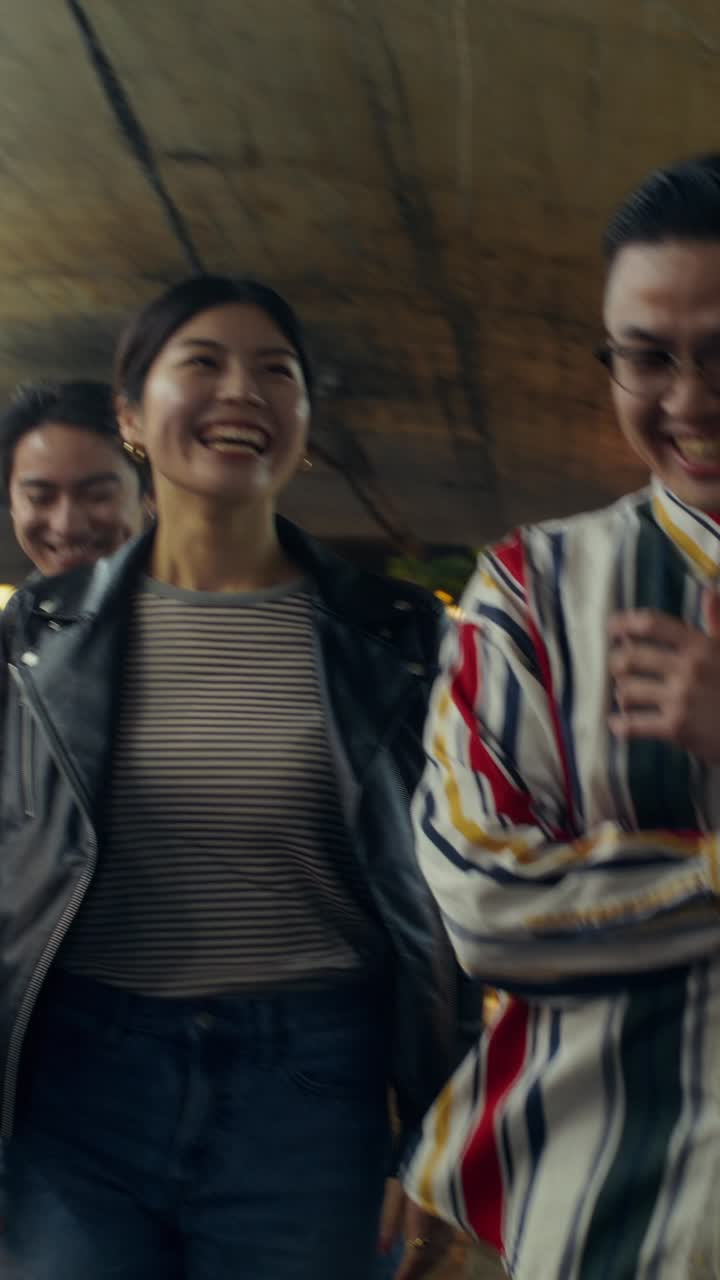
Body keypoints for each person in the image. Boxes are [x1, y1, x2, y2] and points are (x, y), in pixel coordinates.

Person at [0, 275, 477, 1280]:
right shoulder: (41, 635)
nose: (243, 390)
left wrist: (449, 1122)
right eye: (203, 363)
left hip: (312, 1093)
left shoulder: (396, 639)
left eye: (276, 371)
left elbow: (453, 887)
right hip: (80, 1086)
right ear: (131, 416)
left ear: (302, 420)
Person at [404, 152, 720, 1279]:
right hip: (605, 1221)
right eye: (648, 356)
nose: (690, 400)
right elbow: (483, 899)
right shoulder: (533, 590)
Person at [0, 379, 148, 576]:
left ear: (149, 497)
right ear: (12, 504)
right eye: (39, 498)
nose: (67, 526)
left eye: (97, 496)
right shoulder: (28, 597)